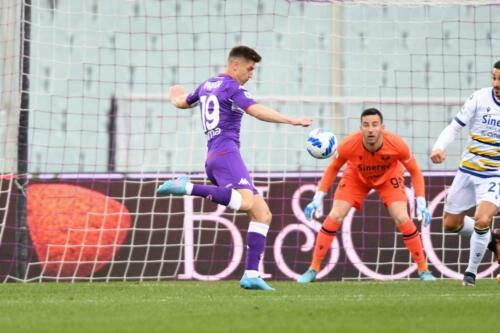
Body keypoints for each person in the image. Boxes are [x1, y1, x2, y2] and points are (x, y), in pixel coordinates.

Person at [157, 45, 312, 291]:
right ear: (235, 65)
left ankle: (251, 274)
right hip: (227, 154)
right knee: (248, 202)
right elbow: (257, 111)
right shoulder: (232, 88)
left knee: (263, 214)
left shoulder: (207, 84)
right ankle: (185, 186)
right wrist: (291, 120)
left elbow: (181, 103)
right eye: (249, 69)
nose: (251, 74)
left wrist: (175, 94)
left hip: (215, 156)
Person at [297, 108, 436, 283]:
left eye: (375, 125)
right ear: (361, 128)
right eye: (366, 125)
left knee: (402, 217)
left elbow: (415, 171)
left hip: (388, 177)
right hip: (356, 176)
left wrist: (421, 200)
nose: (371, 129)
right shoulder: (348, 145)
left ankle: (424, 270)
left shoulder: (397, 144)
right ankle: (313, 269)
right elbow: (333, 168)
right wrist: (318, 197)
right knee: (335, 215)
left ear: (382, 127)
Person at [430, 60, 500, 286]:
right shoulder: (479, 98)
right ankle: (493, 241)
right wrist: (438, 147)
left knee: (482, 219)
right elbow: (455, 127)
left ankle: (470, 275)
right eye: (494, 78)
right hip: (467, 171)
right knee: (450, 224)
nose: (496, 83)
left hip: (494, 175)